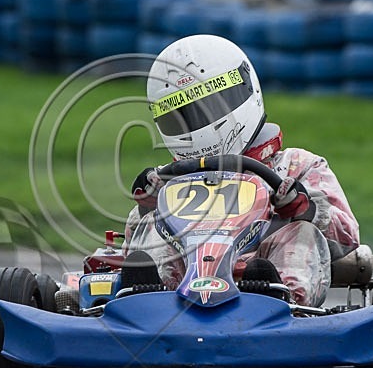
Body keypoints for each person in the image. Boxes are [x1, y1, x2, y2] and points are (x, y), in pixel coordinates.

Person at [123, 34, 359, 307]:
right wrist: (148, 206)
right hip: (180, 290)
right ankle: (145, 301)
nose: (199, 125)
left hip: (258, 278)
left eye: (207, 109)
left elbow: (348, 235)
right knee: (155, 223)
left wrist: (305, 208)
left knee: (301, 233)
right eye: (180, 117)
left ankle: (278, 301)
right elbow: (131, 244)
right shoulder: (169, 178)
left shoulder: (295, 166)